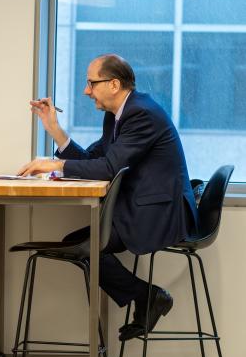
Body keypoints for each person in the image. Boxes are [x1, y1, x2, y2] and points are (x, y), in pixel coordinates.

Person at [18, 54, 198, 341]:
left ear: (114, 84)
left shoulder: (141, 114)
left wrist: (55, 165)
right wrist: (54, 130)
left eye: (91, 83)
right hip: (140, 208)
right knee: (78, 244)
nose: (86, 91)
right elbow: (93, 160)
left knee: (86, 247)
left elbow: (109, 168)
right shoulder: (117, 115)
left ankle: (148, 296)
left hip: (159, 214)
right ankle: (147, 296)